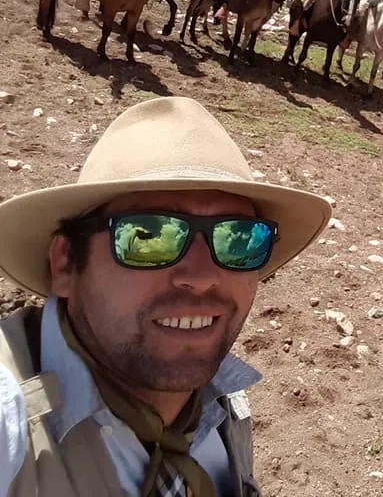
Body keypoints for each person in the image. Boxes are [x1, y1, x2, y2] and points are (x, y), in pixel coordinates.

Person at [0, 96, 333, 496]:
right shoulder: (10, 426)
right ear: (67, 263)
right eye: (149, 236)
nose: (202, 277)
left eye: (238, 239)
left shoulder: (223, 401)